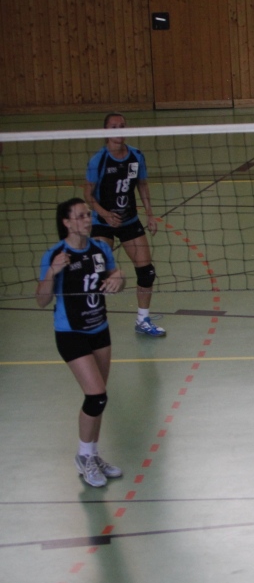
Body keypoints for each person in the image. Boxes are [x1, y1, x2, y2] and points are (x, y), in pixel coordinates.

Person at [36, 198, 126, 488]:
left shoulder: (100, 249)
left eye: (88, 215)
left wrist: (119, 278)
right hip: (70, 333)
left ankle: (93, 455)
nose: (87, 220)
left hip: (99, 328)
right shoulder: (55, 254)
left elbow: (115, 276)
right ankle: (83, 457)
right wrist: (52, 272)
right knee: (96, 396)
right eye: (80, 216)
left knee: (100, 399)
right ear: (66, 222)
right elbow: (41, 300)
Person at [84, 112, 165, 337]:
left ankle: (143, 320)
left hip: (129, 220)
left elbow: (142, 185)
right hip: (103, 223)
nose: (119, 130)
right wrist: (105, 214)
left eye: (122, 126)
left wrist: (150, 215)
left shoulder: (136, 156)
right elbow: (88, 194)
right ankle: (90, 318)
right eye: (114, 127)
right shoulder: (98, 160)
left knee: (147, 272)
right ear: (105, 132)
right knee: (96, 271)